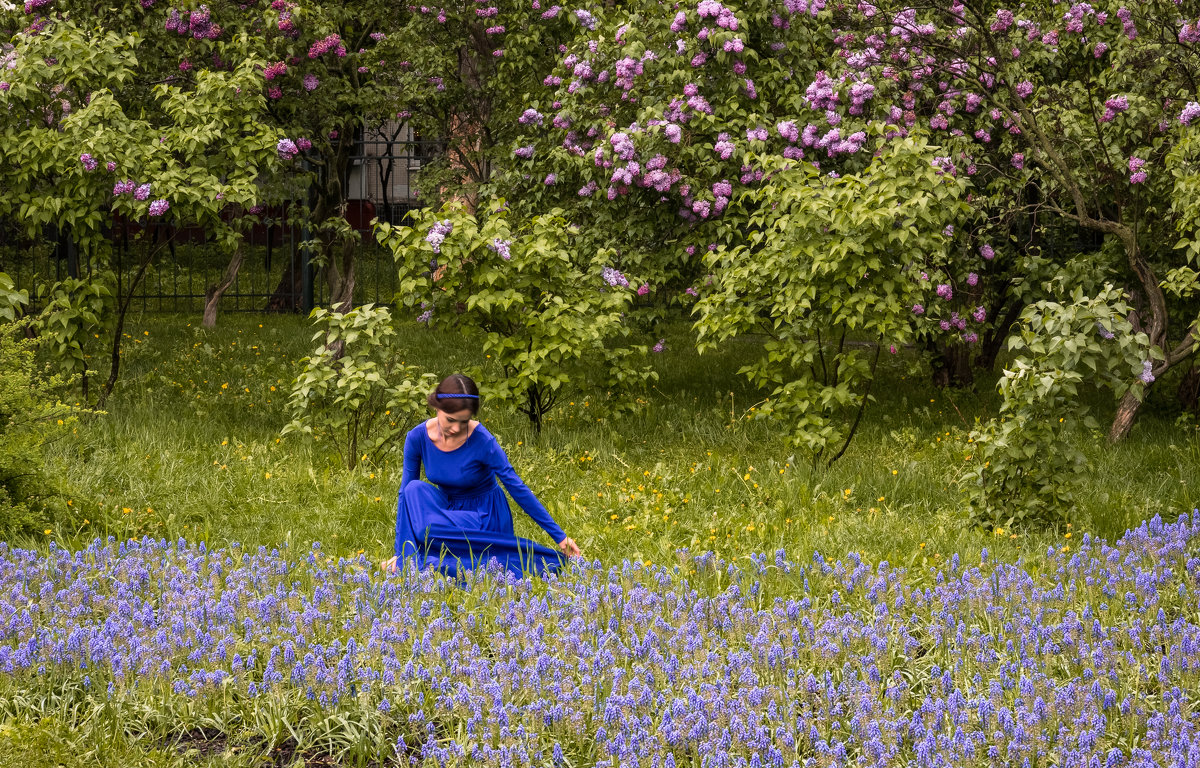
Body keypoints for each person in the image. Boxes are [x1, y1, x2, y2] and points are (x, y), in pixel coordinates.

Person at [380, 373, 582, 579]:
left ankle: (420, 562)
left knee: (448, 554)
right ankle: (408, 559)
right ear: (437, 407)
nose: (456, 428)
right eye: (450, 420)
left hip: (483, 516)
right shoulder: (417, 437)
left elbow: (516, 486)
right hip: (447, 512)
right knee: (413, 489)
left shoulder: (483, 440)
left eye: (464, 421)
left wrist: (559, 536)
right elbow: (405, 495)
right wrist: (400, 550)